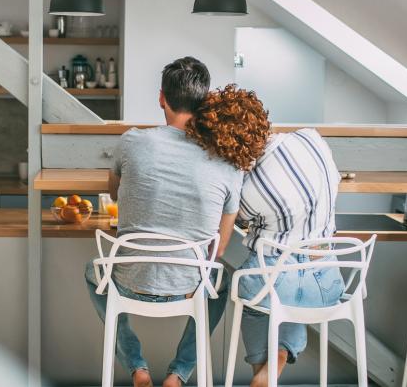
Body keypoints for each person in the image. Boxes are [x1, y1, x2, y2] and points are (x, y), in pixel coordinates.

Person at [84, 57, 255, 387]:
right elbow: (217, 249)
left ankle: (136, 367)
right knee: (223, 281)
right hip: (188, 290)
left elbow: (114, 193)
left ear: (162, 97)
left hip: (129, 283)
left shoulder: (132, 141)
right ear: (205, 101)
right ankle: (179, 374)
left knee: (92, 272)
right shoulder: (226, 160)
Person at [185, 85, 344, 387]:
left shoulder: (247, 189)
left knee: (249, 283)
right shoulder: (311, 138)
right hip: (330, 279)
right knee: (284, 286)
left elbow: (226, 227)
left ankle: (263, 367)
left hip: (279, 287)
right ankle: (278, 358)